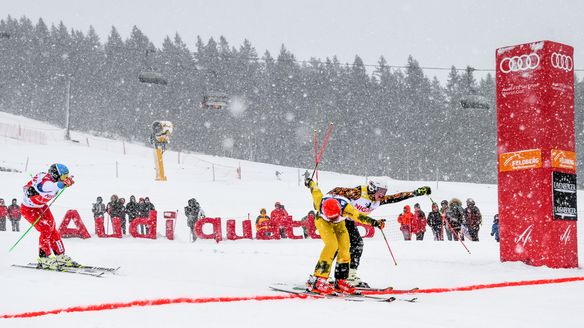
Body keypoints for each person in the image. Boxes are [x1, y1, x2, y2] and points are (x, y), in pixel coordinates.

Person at [327, 180, 431, 286]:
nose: (383, 195)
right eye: (381, 191)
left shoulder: (379, 200)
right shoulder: (358, 193)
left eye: (384, 192)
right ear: (373, 188)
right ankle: (325, 274)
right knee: (337, 246)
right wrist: (323, 201)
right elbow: (336, 191)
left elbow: (397, 197)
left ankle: (350, 275)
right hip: (337, 219)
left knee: (358, 244)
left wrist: (417, 192)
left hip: (349, 221)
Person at [304, 177, 385, 295]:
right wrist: (309, 182)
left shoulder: (346, 208)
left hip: (340, 223)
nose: (333, 220)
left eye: (335, 217)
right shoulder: (319, 202)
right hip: (322, 221)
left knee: (344, 247)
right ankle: (319, 280)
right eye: (331, 217)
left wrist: (375, 223)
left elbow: (360, 217)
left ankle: (340, 280)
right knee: (332, 245)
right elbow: (315, 189)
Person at [21, 163, 78, 269]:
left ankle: (60, 255)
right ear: (56, 174)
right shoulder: (47, 182)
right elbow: (48, 186)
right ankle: (44, 258)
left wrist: (65, 181)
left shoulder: (55, 180)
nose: (64, 178)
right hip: (29, 209)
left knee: (52, 227)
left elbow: (56, 185)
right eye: (63, 176)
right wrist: (62, 184)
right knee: (45, 229)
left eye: (66, 176)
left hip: (41, 206)